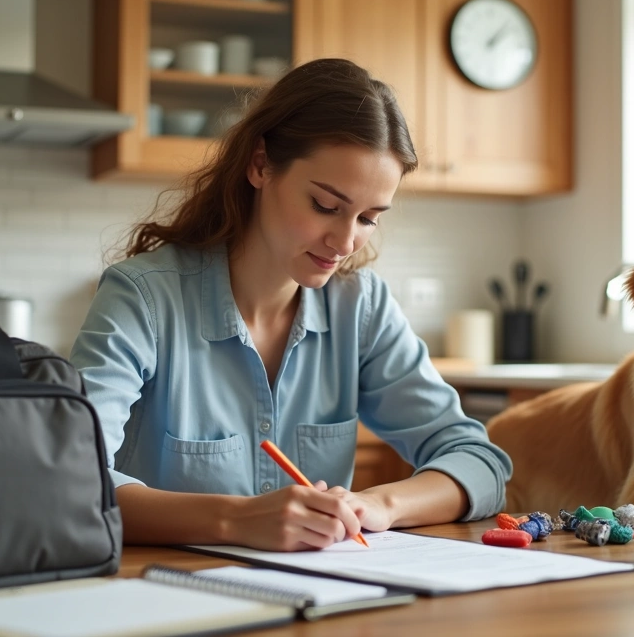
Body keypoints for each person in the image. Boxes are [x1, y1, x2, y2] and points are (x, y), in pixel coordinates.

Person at [70, 58, 512, 552]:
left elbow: (480, 462)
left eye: (368, 217)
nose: (346, 241)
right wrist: (233, 520)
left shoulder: (361, 308)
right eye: (326, 206)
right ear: (260, 165)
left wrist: (379, 506)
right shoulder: (142, 297)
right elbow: (71, 480)